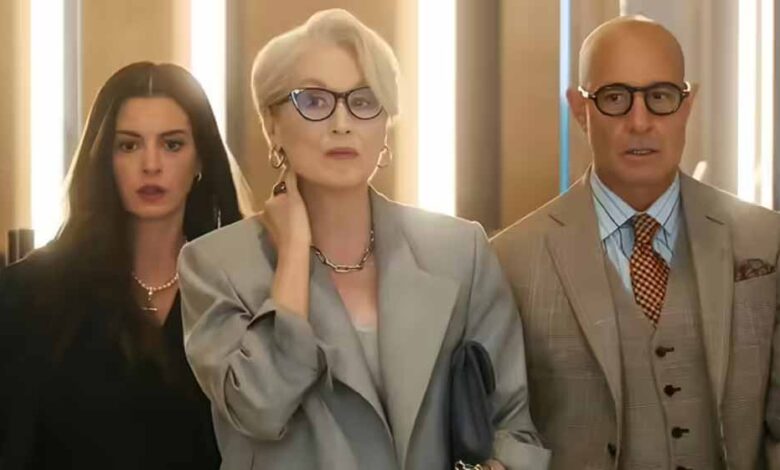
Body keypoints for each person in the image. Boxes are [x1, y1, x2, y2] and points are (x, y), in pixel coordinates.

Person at [177, 8, 549, 470]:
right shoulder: (215, 265)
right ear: (272, 124)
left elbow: (511, 424)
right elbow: (260, 407)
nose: (342, 123)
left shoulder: (459, 251)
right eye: (314, 101)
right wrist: (292, 255)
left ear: (385, 123)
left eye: (364, 100)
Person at [492, 15, 780, 470]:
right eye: (615, 98)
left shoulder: (765, 241)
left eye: (660, 97)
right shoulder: (511, 260)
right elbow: (505, 433)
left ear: (687, 104)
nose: (640, 122)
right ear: (580, 110)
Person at [0, 62, 243, 469]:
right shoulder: (31, 293)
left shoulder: (238, 291)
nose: (151, 164)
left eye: (172, 144)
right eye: (129, 146)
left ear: (201, 159)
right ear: (104, 159)